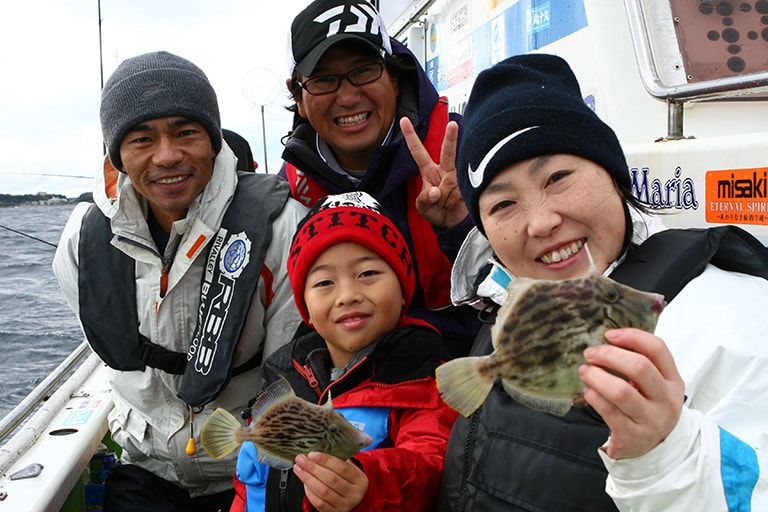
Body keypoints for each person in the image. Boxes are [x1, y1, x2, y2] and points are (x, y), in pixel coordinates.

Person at [428, 53, 768, 511]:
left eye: (558, 178)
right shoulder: (508, 300)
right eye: (503, 205)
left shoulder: (741, 321)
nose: (541, 222)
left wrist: (666, 454)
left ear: (611, 171)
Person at [52, 51, 308, 511]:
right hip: (144, 467)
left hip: (247, 471)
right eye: (141, 139)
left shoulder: (283, 228)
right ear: (117, 155)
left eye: (186, 132)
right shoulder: (80, 241)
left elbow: (288, 377)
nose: (166, 156)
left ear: (213, 140)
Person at [231, 191, 460, 511]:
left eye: (367, 274)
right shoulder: (282, 377)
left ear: (403, 287)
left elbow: (432, 465)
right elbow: (247, 486)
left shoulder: (433, 382)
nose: (348, 295)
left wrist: (371, 485)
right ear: (305, 308)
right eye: (325, 282)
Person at [280, 0, 480, 359]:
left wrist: (462, 228)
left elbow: (528, 284)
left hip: (474, 376)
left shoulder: (466, 149)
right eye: (324, 80)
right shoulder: (288, 194)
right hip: (356, 392)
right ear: (299, 97)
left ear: (394, 76)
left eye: (364, 70)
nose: (348, 96)